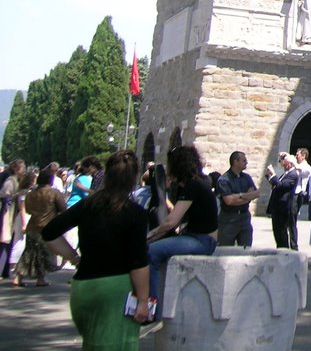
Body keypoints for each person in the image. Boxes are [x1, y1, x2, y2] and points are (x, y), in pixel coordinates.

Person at [42, 150, 151, 347]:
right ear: (133, 178)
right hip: (115, 289)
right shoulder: (136, 213)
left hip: (83, 287)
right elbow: (138, 261)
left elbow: (49, 232)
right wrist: (143, 300)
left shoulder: (87, 205)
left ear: (107, 175)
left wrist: (74, 257)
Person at [146, 145, 218, 318]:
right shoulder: (197, 183)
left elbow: (171, 222)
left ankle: (151, 308)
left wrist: (149, 235)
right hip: (199, 237)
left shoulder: (193, 185)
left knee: (150, 252)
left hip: (201, 240)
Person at [13, 166, 65, 287]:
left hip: (33, 225)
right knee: (43, 253)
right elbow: (63, 208)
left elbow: (29, 209)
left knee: (29, 252)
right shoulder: (54, 193)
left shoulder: (31, 194)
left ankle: (18, 277)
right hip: (47, 226)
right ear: (50, 180)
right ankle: (40, 279)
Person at [216, 151, 260, 247]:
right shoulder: (224, 180)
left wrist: (239, 196)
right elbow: (229, 201)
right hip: (228, 219)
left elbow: (255, 194)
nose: (246, 162)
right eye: (244, 160)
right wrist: (246, 196)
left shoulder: (247, 178)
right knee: (225, 249)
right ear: (235, 162)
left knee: (246, 248)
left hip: (244, 217)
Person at [266, 154, 300, 249]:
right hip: (277, 206)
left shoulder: (293, 175)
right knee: (277, 231)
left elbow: (281, 185)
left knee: (281, 231)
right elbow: (276, 185)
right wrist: (269, 176)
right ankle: (281, 249)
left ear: (290, 164)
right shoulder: (285, 174)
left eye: (285, 163)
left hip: (283, 207)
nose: (283, 165)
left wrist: (273, 174)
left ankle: (285, 251)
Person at [0, 158, 26, 279]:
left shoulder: (15, 180)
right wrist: (18, 194)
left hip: (10, 213)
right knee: (4, 241)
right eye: (22, 168)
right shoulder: (11, 180)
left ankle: (4, 270)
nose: (24, 170)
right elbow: (4, 195)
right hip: (6, 214)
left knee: (7, 242)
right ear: (16, 168)